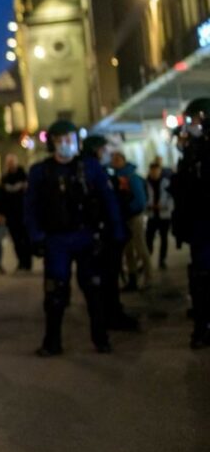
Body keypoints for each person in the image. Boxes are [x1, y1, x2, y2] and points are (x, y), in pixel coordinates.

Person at [26, 121, 123, 357]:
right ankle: (52, 343)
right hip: (56, 239)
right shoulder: (41, 171)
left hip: (86, 235)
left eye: (69, 139)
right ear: (52, 143)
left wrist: (115, 231)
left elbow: (108, 200)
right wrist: (35, 236)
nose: (65, 144)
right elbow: (30, 207)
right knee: (55, 292)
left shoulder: (89, 167)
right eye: (59, 140)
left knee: (93, 289)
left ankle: (101, 338)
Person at [82, 136, 140, 332]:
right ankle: (111, 315)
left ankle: (111, 313)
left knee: (108, 277)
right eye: (104, 149)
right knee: (108, 277)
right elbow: (108, 202)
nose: (107, 153)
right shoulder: (94, 171)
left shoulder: (97, 170)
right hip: (105, 233)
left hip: (105, 231)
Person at [170, 98, 210, 349]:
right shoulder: (194, 151)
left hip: (205, 225)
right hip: (199, 225)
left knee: (203, 276)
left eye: (193, 119)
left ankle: (203, 326)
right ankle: (202, 323)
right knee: (199, 276)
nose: (189, 125)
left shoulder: (202, 151)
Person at [111, 152, 151, 291]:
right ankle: (132, 279)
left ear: (124, 160)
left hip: (134, 217)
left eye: (118, 159)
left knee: (140, 248)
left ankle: (148, 278)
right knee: (128, 250)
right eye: (114, 160)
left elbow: (140, 201)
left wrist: (128, 210)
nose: (115, 162)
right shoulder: (117, 177)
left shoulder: (132, 177)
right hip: (124, 218)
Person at [1, 154, 31, 273]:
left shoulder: (23, 175)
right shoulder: (5, 177)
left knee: (25, 238)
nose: (11, 165)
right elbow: (2, 197)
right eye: (9, 163)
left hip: (23, 212)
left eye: (12, 162)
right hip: (11, 214)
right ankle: (21, 261)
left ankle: (27, 262)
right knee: (16, 239)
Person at [145, 162, 173, 270]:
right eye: (152, 171)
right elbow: (145, 197)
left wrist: (164, 206)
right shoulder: (146, 183)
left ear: (160, 171)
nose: (154, 173)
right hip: (152, 215)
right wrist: (149, 206)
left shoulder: (166, 182)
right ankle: (148, 258)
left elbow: (171, 198)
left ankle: (162, 260)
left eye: (156, 170)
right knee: (149, 238)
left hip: (164, 215)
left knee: (164, 238)